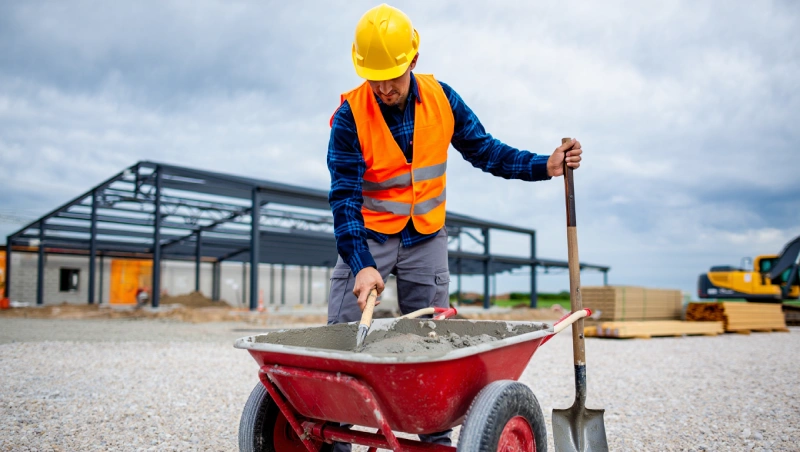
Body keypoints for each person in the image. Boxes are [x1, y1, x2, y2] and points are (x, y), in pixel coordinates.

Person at [326, 4, 582, 450]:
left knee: (432, 343)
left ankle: (434, 439)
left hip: (426, 238)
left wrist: (545, 165)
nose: (384, 87)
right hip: (369, 238)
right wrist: (361, 264)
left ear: (413, 59)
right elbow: (344, 198)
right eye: (375, 77)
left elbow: (487, 151)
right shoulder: (350, 116)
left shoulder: (443, 99)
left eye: (392, 75)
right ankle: (332, 438)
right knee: (341, 338)